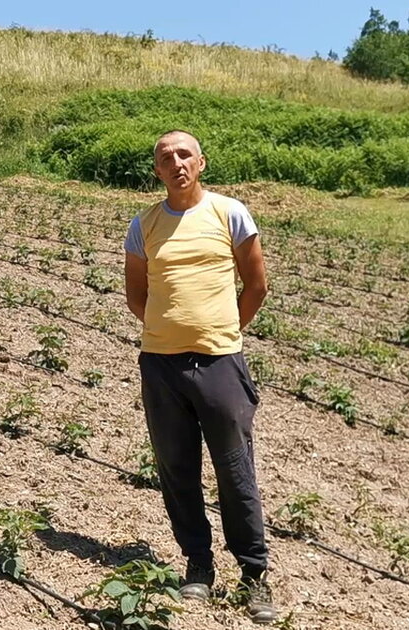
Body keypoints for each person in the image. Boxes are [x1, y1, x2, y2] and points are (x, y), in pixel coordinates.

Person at [123, 130, 276, 624]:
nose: (175, 162)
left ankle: (254, 574)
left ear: (201, 163)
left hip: (219, 363)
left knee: (235, 469)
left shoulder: (229, 213)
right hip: (161, 364)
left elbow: (256, 285)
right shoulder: (142, 225)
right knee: (176, 467)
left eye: (183, 154)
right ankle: (198, 566)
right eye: (165, 158)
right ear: (157, 172)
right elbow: (136, 297)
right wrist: (166, 332)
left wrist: (220, 329)